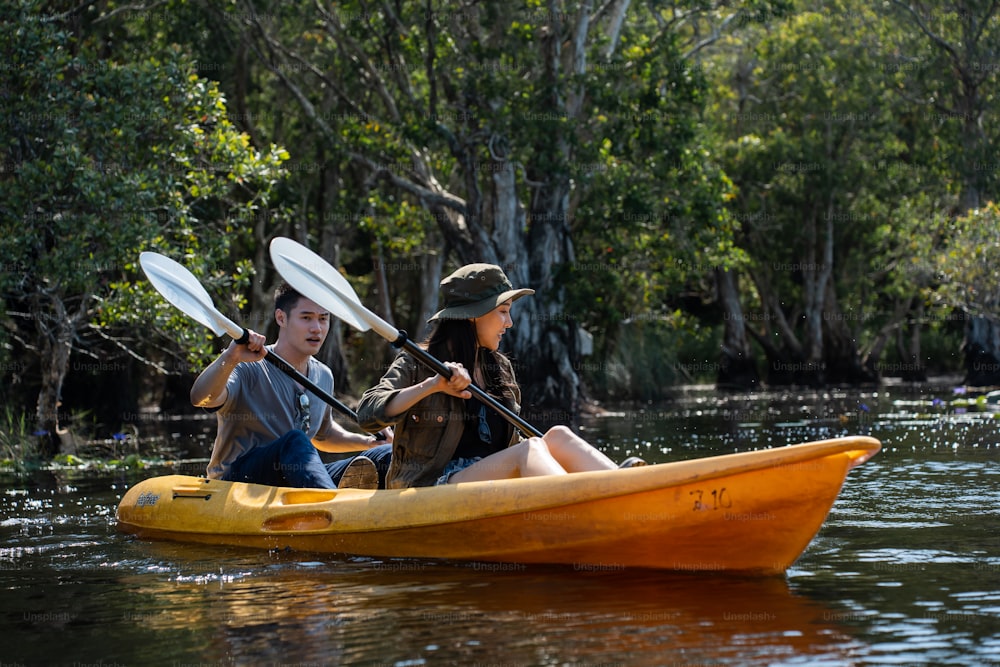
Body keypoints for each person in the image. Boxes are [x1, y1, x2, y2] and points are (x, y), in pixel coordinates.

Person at [357, 263, 643, 489]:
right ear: (473, 316)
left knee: (557, 436)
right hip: (433, 485)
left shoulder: (499, 367)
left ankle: (626, 489)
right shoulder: (418, 361)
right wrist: (433, 385)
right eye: (503, 312)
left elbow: (508, 446)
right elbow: (368, 414)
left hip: (492, 477)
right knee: (529, 448)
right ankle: (579, 503)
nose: (510, 322)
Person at [192, 282, 393, 489]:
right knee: (294, 441)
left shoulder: (324, 375)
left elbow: (323, 435)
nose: (317, 328)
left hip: (292, 481)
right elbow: (200, 398)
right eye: (306, 318)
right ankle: (333, 510)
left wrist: (367, 442)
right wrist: (230, 356)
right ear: (281, 318)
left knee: (385, 455)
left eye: (323, 319)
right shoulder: (247, 366)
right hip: (237, 482)